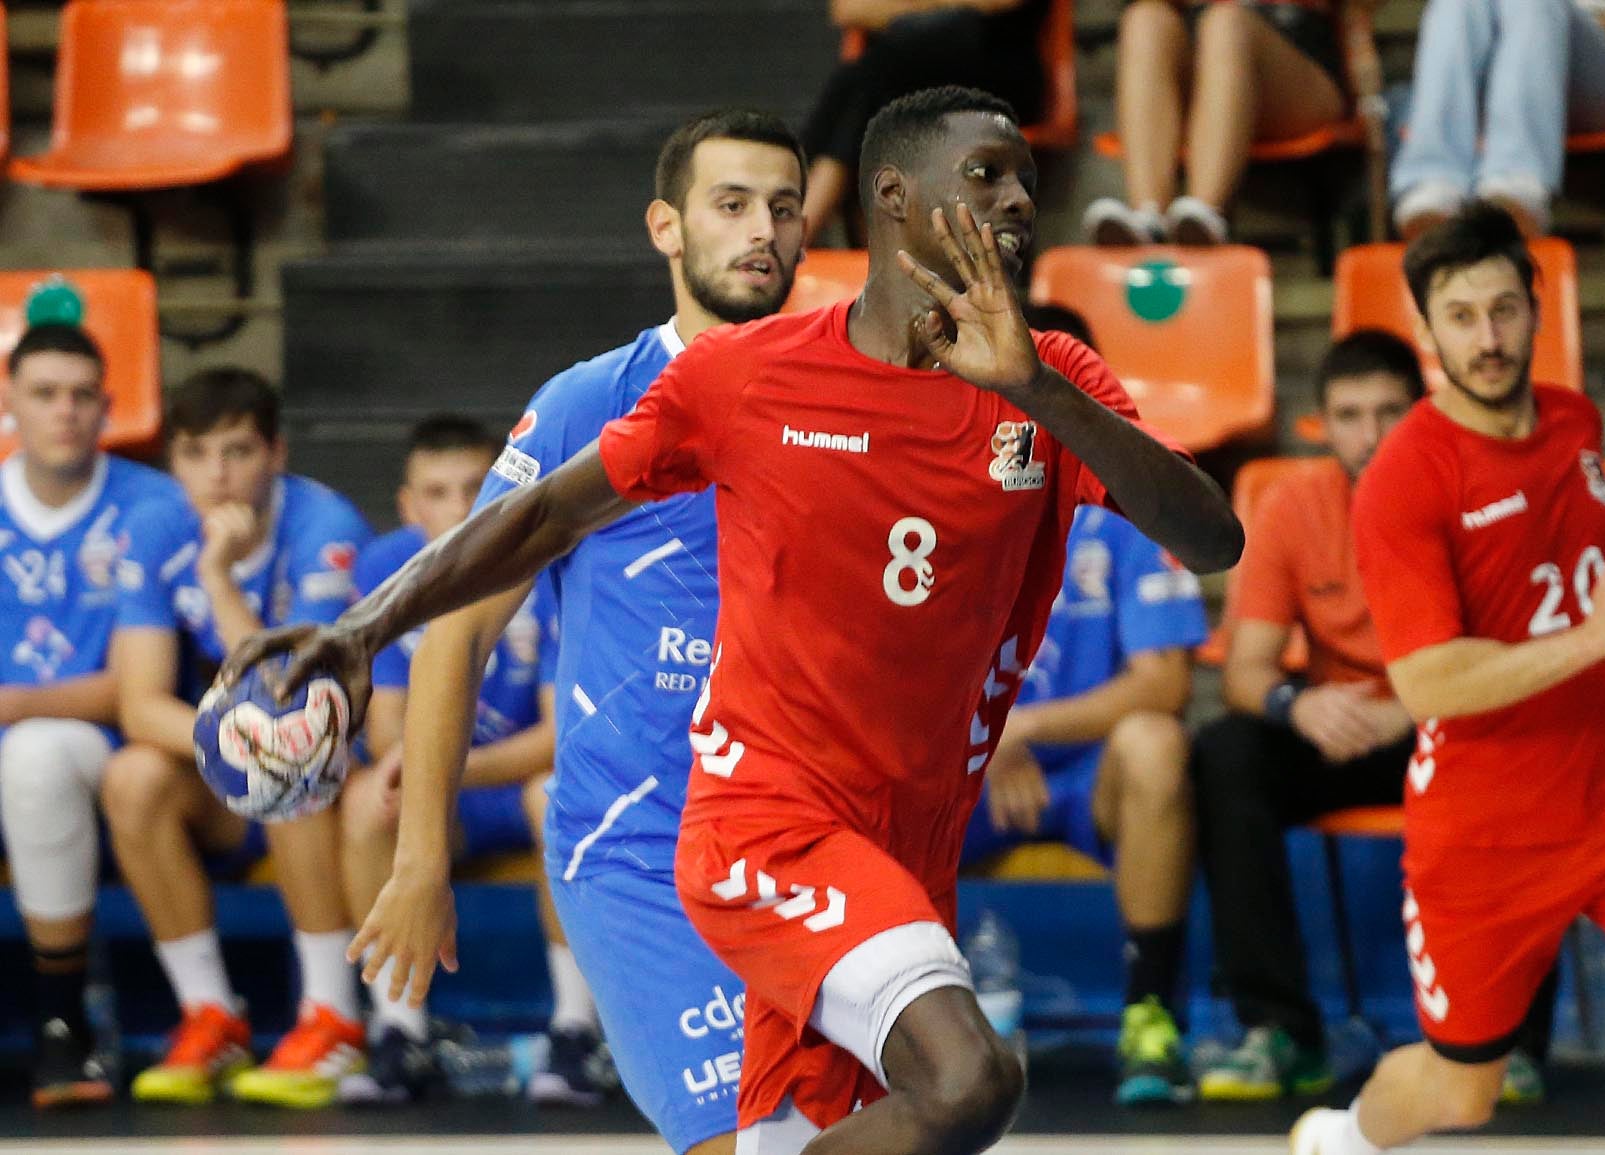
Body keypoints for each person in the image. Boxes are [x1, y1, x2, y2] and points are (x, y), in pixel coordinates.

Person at [225, 85, 1241, 1155]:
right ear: (891, 198)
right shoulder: (706, 382)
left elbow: (1211, 536)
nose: (1020, 199)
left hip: (896, 835)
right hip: (708, 834)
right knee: (968, 1082)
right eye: (987, 175)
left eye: (782, 204)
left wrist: (1035, 390)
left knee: (824, 1137)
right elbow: (513, 553)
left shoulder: (1042, 381)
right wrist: (363, 639)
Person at [335, 109, 804, 1151]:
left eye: (782, 207)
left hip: (806, 847)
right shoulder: (585, 404)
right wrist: (420, 867)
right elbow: (455, 632)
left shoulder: (843, 397)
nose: (760, 229)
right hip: (638, 850)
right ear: (666, 228)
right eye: (730, 205)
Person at [1291, 201, 1605, 1155]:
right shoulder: (1405, 478)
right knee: (1465, 1094)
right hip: (1486, 835)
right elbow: (1428, 684)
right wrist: (1593, 636)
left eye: (1503, 309)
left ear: (1537, 307)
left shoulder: (1576, 422)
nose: (1486, 339)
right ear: (1426, 329)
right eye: (1460, 316)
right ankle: (1340, 1136)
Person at [1194, 330, 1559, 1105]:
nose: (1369, 435)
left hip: (1452, 724)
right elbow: (1246, 673)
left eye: (1388, 412)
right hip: (1340, 729)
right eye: (1349, 415)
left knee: (1521, 753)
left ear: (1422, 415)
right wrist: (1300, 704)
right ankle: (1281, 1030)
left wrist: (1417, 708)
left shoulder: (1483, 501)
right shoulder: (1295, 506)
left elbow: (1516, 663)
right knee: (1227, 751)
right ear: (1322, 424)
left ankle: (1506, 1037)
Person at [105, 369, 373, 1107]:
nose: (216, 474)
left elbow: (291, 700)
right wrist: (236, 739)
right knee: (132, 775)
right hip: (230, 773)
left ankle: (334, 1019)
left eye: (238, 451)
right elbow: (139, 703)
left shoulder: (327, 528)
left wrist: (219, 580)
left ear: (276, 453)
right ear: (173, 461)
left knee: (292, 759)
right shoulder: (157, 526)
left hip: (341, 768)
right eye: (195, 453)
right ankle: (210, 1014)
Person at [336, 416, 605, 1106]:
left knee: (555, 791)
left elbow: (558, 733)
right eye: (439, 491)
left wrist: (439, 765)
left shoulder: (550, 559)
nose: (461, 507)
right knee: (368, 798)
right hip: (455, 792)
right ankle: (399, 1033)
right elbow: (387, 729)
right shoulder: (385, 564)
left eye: (476, 487)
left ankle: (577, 1032)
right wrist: (413, 769)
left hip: (522, 779)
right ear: (408, 505)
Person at [960, 504, 1207, 1105]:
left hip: (1089, 776)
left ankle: (1150, 1016)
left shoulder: (1135, 508)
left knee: (1156, 744)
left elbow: (1165, 684)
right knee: (862, 766)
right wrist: (982, 733)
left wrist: (1021, 727)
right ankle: (886, 1026)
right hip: (964, 766)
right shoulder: (935, 501)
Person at [0, 323, 180, 1107]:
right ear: (11, 403)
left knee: (37, 753)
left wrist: (15, 703)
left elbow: (146, 690)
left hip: (117, 746)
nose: (65, 412)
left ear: (109, 406)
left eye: (82, 396)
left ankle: (63, 1028)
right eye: (45, 394)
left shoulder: (156, 505)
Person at [1083, 0, 1375, 247]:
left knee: (1227, 23)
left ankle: (1204, 216)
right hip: (1198, 57)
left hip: (1299, 60)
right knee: (1144, 19)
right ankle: (1148, 217)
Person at [1390, 0, 1605, 239]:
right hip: (1495, 66)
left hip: (1602, 75)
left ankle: (1514, 181)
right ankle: (1433, 180)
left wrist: (1548, 28)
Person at [802, 0, 1048, 242]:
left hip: (995, 76)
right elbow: (849, 9)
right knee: (866, 87)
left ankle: (800, 227)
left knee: (866, 85)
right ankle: (810, 231)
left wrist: (903, 10)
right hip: (903, 79)